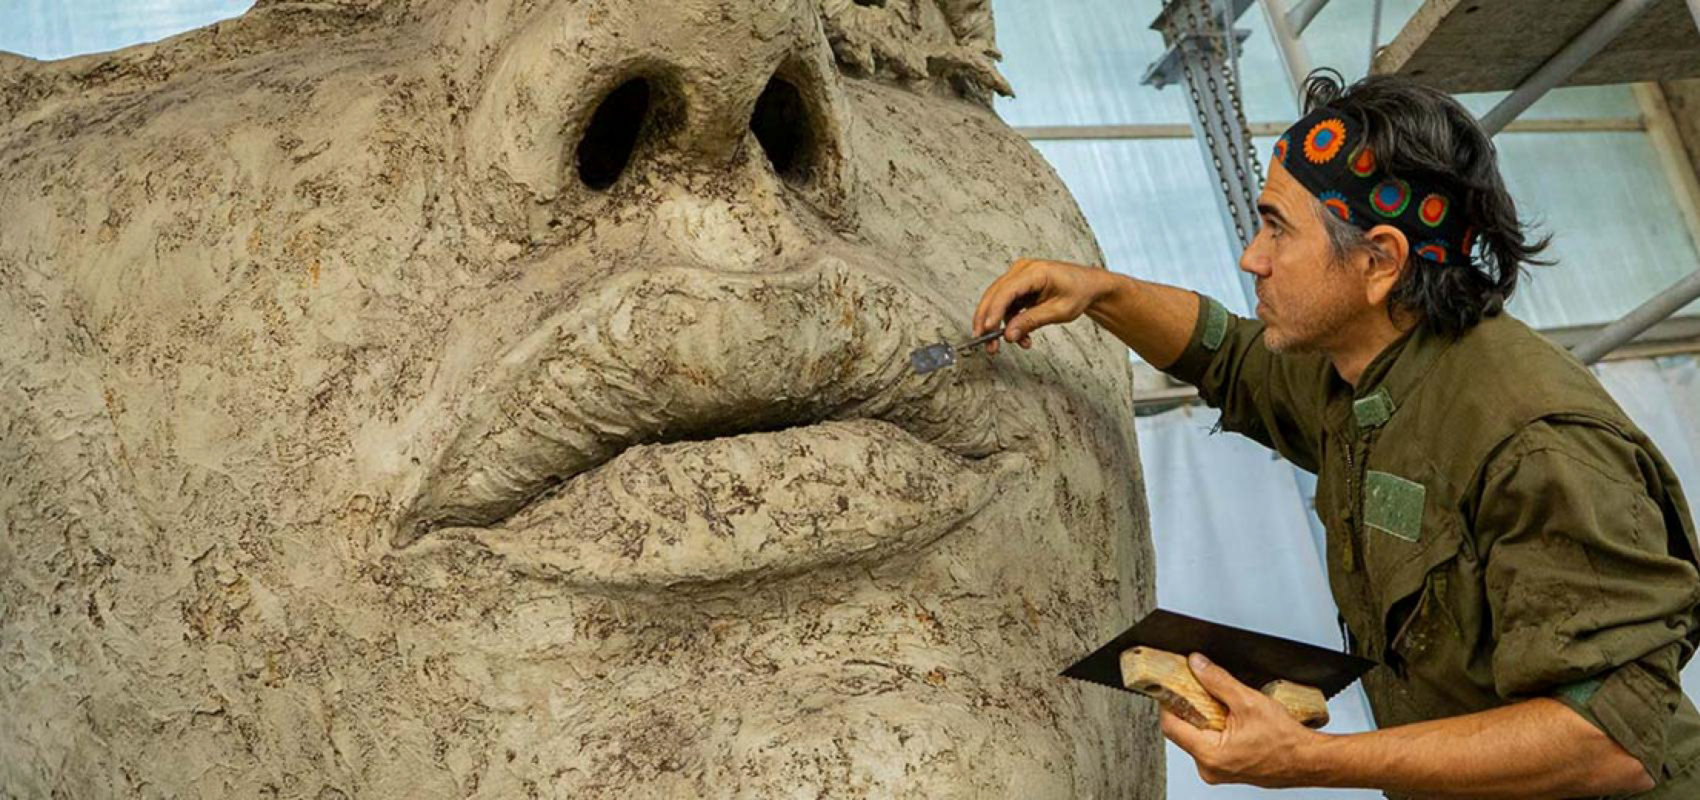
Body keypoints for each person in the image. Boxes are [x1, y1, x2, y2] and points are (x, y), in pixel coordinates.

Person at [974, 71, 1700, 798]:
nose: (1252, 257)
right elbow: (1227, 355)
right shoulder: (1362, 370)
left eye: (1277, 228)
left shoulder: (1536, 444)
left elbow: (1608, 742)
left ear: (1379, 261)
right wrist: (1100, 292)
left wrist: (1309, 760)